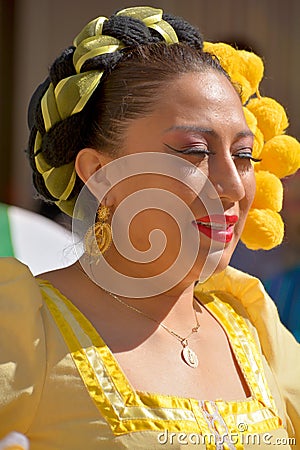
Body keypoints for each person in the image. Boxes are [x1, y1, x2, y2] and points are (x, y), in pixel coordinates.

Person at [0, 6, 299, 449]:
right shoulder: (23, 330)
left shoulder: (255, 326)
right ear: (100, 174)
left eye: (244, 155)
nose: (234, 186)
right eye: (196, 151)